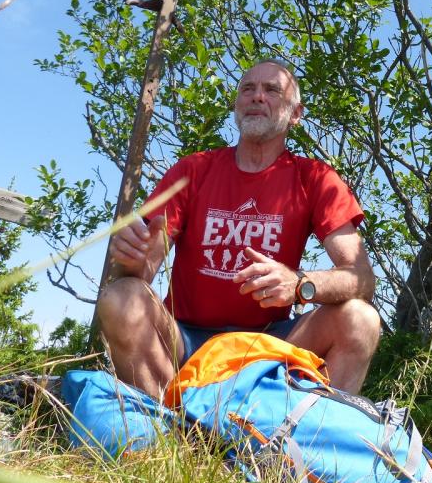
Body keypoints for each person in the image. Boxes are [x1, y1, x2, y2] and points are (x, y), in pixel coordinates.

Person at [96, 60, 380, 398]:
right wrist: (130, 259)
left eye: (272, 90)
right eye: (248, 89)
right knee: (121, 298)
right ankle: (163, 435)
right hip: (185, 339)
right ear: (236, 105)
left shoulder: (315, 179)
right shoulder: (194, 169)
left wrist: (301, 284)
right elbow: (142, 270)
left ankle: (305, 440)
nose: (257, 97)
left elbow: (362, 277)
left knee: (360, 319)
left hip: (271, 341)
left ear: (295, 114)